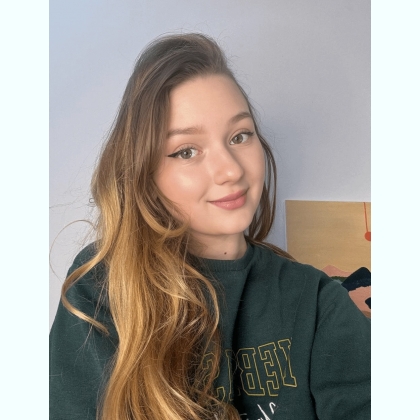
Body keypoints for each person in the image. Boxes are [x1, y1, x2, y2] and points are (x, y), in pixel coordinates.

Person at [49, 33, 371, 420]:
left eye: (240, 136)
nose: (230, 170)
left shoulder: (316, 300)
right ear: (144, 173)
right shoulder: (101, 288)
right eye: (187, 151)